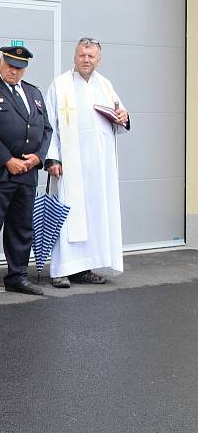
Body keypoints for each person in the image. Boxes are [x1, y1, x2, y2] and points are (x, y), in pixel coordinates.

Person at [44, 38, 130, 288]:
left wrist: (124, 117)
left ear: (98, 60)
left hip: (99, 167)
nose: (86, 59)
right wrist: (52, 157)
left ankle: (84, 268)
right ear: (75, 57)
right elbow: (49, 125)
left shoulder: (106, 86)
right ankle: (60, 270)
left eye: (91, 56)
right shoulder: (60, 85)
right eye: (82, 55)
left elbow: (120, 118)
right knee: (67, 215)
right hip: (70, 166)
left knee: (93, 216)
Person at [0, 46, 52, 298]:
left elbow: (46, 129)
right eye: (9, 65)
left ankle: (17, 275)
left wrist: (38, 157)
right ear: (1, 63)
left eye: (19, 67)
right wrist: (7, 160)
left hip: (28, 173)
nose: (13, 71)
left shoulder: (34, 93)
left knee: (22, 226)